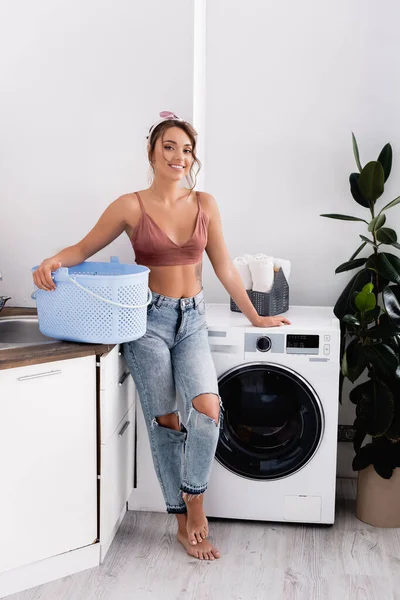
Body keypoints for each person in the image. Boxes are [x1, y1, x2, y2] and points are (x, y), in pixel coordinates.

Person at [33, 110, 291, 561]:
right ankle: (183, 521)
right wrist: (52, 261)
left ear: (193, 158)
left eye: (186, 150)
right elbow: (83, 248)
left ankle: (195, 500)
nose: (178, 156)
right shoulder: (130, 205)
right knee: (167, 422)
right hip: (145, 321)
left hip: (191, 319)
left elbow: (225, 267)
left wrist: (256, 317)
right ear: (152, 152)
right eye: (169, 147)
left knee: (208, 411)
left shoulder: (205, 204)